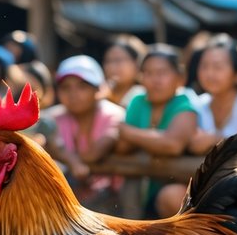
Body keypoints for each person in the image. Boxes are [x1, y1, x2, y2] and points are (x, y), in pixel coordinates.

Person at [115, 45, 200, 218]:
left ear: (180, 78)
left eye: (162, 73)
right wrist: (153, 141)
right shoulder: (138, 101)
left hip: (173, 189)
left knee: (172, 197)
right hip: (140, 187)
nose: (155, 80)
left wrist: (128, 132)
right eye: (148, 73)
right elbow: (122, 147)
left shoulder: (185, 104)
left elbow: (172, 145)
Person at [53, 55, 125, 212]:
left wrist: (68, 158)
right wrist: (73, 162)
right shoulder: (54, 118)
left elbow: (94, 154)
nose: (73, 94)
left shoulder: (114, 115)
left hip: (113, 200)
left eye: (82, 86)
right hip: (70, 201)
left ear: (98, 89)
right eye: (66, 87)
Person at [189, 35, 237, 154]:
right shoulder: (195, 104)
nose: (209, 73)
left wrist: (215, 139)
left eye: (218, 67)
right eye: (204, 66)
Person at [102, 34, 147, 107]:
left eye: (118, 60)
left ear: (137, 63)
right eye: (108, 61)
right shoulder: (101, 93)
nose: (112, 66)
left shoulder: (143, 95)